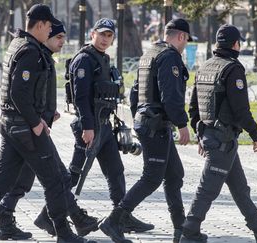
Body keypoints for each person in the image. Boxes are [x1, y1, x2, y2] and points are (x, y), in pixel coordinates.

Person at [0, 4, 97, 243]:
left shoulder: (18, 44)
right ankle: (64, 234)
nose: (50, 31)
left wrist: (44, 112)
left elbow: (25, 90)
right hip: (26, 129)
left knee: (2, 181)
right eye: (49, 26)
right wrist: (36, 122)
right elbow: (17, 91)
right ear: (41, 24)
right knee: (54, 180)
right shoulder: (30, 50)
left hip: (12, 124)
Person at [179, 24, 257, 243]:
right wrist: (256, 135)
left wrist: (200, 134)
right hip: (223, 140)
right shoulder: (233, 69)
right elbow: (241, 110)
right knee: (207, 188)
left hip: (216, 138)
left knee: (239, 187)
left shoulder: (206, 67)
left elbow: (193, 108)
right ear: (236, 44)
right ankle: (189, 232)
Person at [99, 18, 193, 243]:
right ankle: (114, 220)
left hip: (148, 121)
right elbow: (171, 96)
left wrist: (138, 116)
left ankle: (182, 229)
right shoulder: (170, 56)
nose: (185, 45)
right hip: (157, 124)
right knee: (152, 177)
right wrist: (182, 124)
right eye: (186, 40)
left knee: (174, 174)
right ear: (181, 36)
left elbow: (134, 92)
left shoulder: (149, 53)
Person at [66, 17, 154, 237]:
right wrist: (87, 127)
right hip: (90, 126)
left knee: (116, 172)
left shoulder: (102, 59)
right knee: (75, 175)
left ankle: (121, 217)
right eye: (102, 34)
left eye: (109, 35)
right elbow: (81, 97)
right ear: (92, 33)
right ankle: (49, 214)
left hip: (104, 126)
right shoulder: (84, 60)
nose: (105, 39)